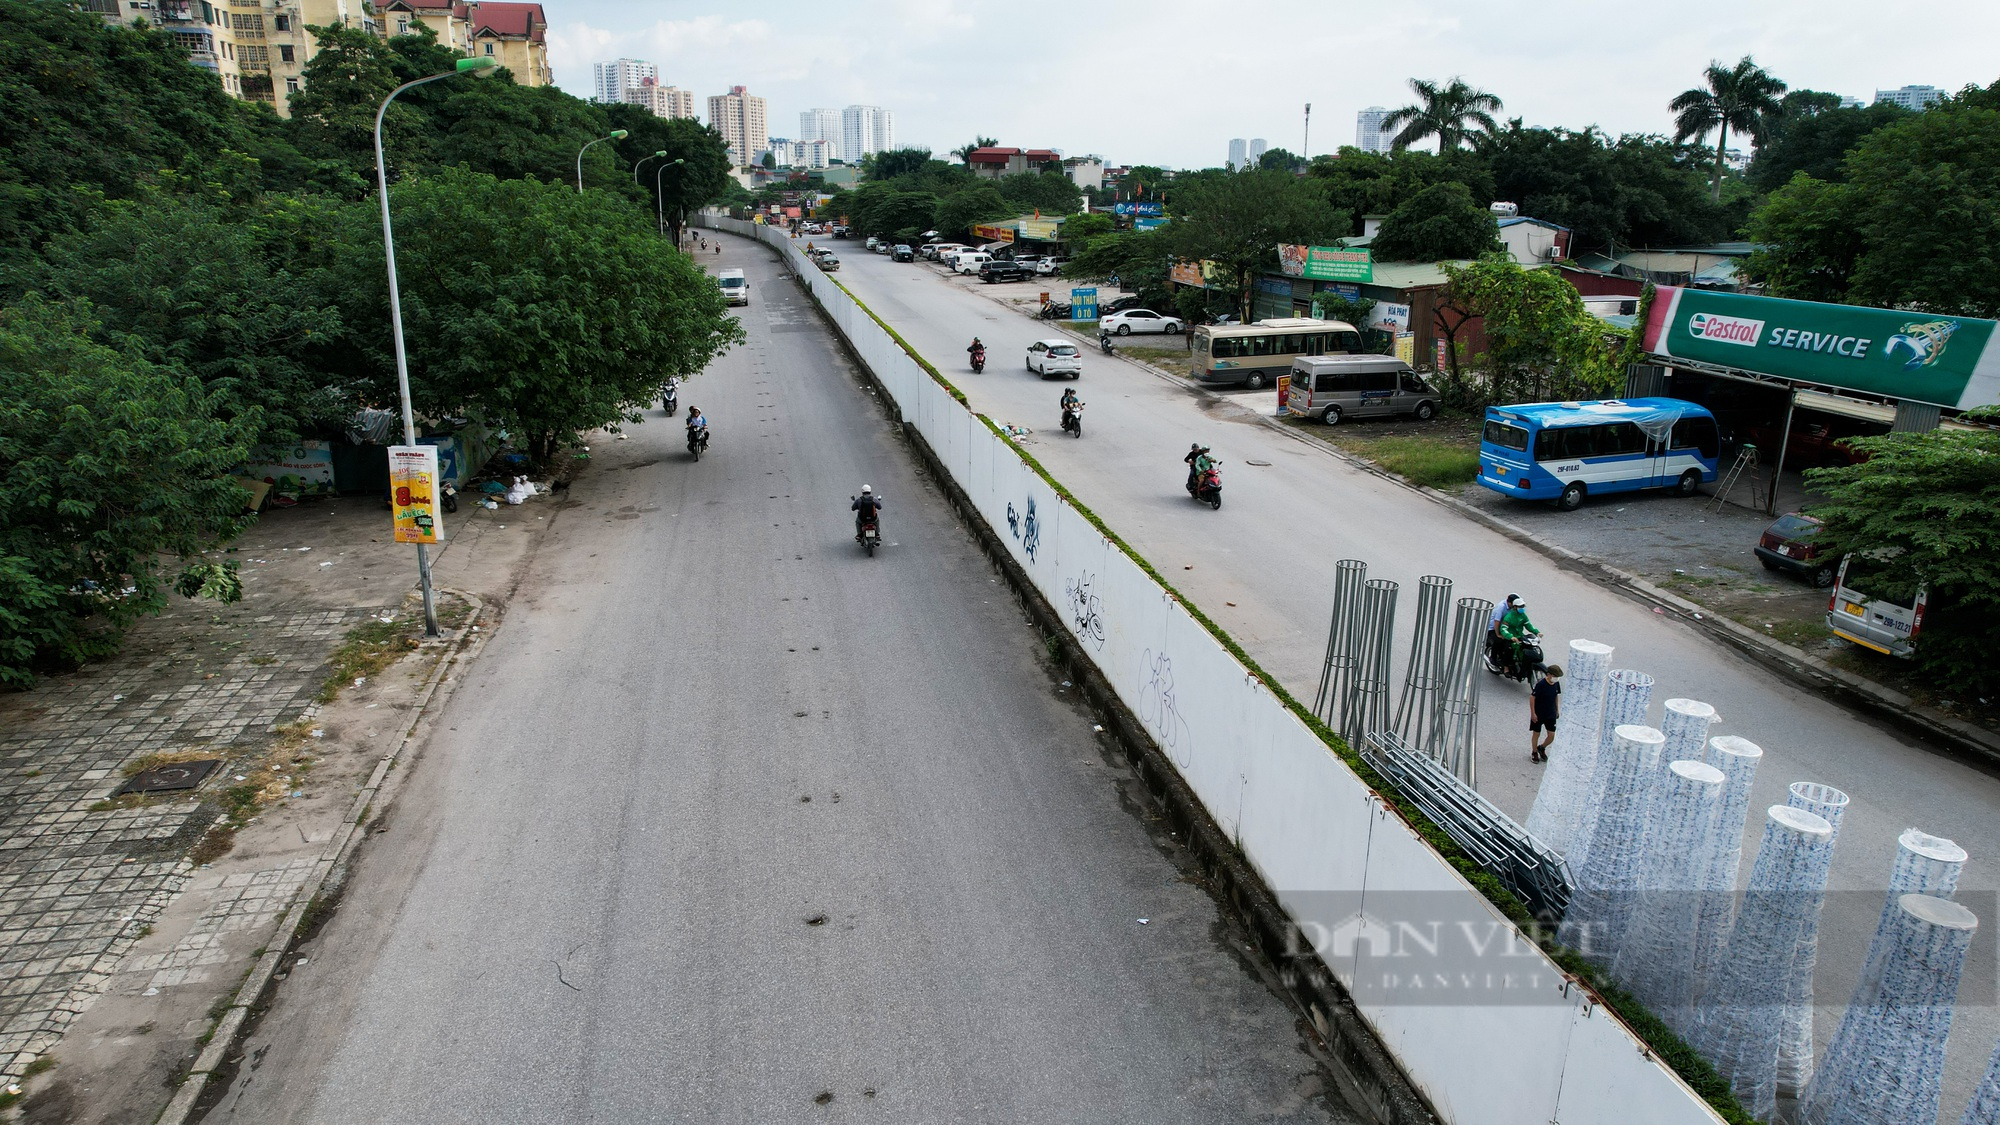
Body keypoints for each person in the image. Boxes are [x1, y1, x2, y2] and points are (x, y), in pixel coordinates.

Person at [1495, 599, 1538, 677]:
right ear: (1515, 607)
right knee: (1509, 649)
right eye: (1520, 606)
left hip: (1520, 636)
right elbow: (1503, 629)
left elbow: (1528, 625)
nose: (1522, 608)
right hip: (1510, 637)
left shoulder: (1523, 615)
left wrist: (1537, 632)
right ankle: (1506, 667)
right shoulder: (1509, 617)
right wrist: (1511, 637)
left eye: (1523, 606)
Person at [1529, 665, 1563, 762]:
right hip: (1539, 713)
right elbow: (1532, 697)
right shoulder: (1541, 684)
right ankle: (1534, 752)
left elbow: (1556, 696)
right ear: (1549, 675)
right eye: (1555, 676)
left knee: (1551, 735)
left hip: (1550, 713)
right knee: (1536, 734)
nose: (1557, 678)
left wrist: (1557, 710)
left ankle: (1542, 747)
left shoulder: (1556, 683)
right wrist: (1533, 713)